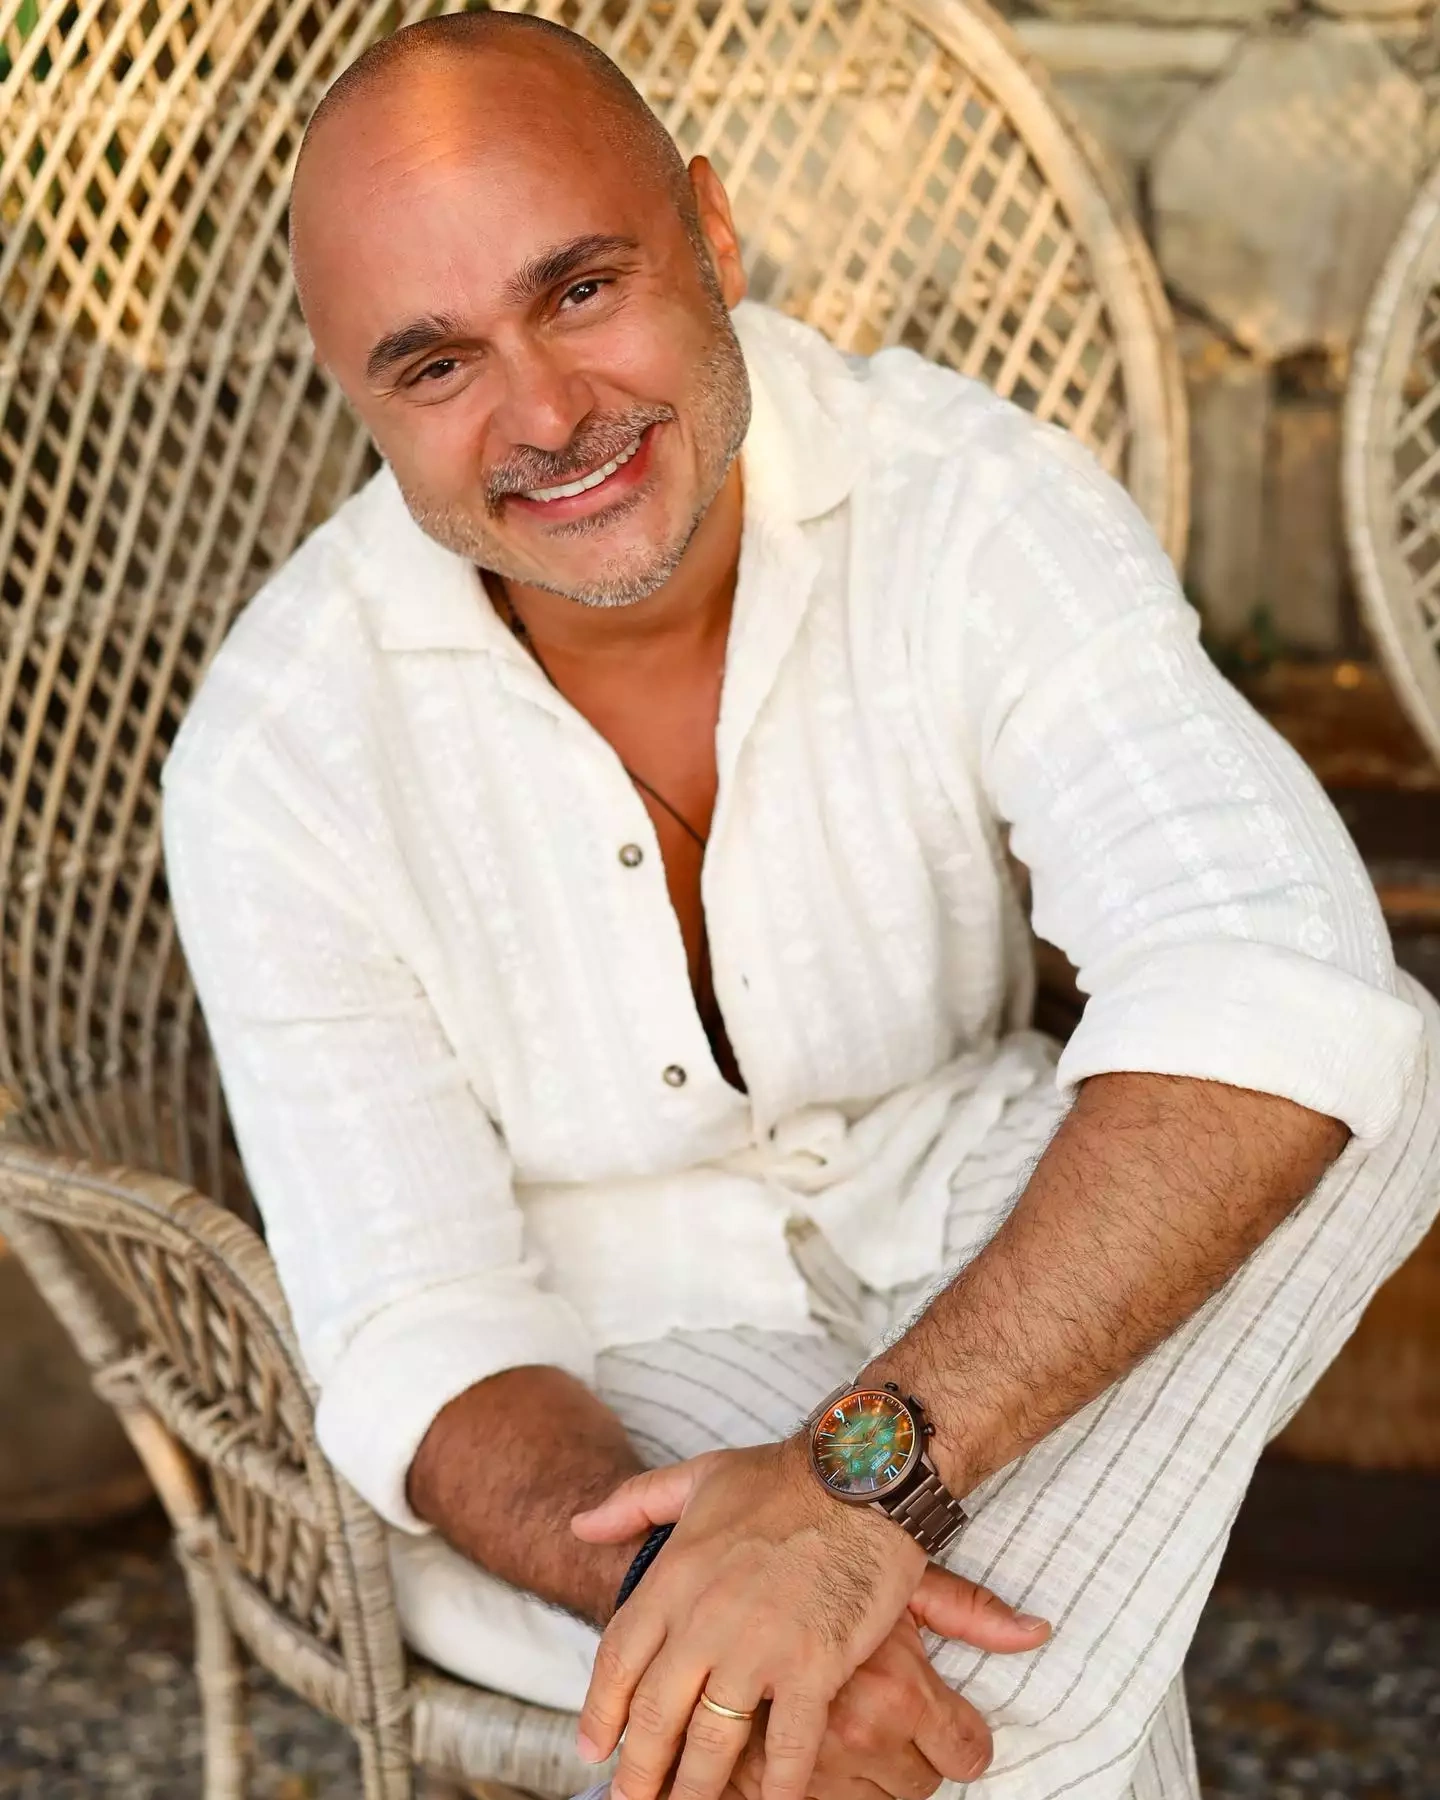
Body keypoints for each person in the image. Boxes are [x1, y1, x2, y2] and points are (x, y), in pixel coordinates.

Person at [161, 11, 1440, 1799]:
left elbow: (1267, 957)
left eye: (582, 290)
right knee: (924, 1715)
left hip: (970, 1198)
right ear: (355, 395)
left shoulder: (965, 500)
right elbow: (424, 1332)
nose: (549, 417)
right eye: (436, 366)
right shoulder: (279, 749)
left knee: (1371, 1070)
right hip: (616, 1378)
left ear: (713, 232)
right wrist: (696, 1585)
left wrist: (857, 1500)